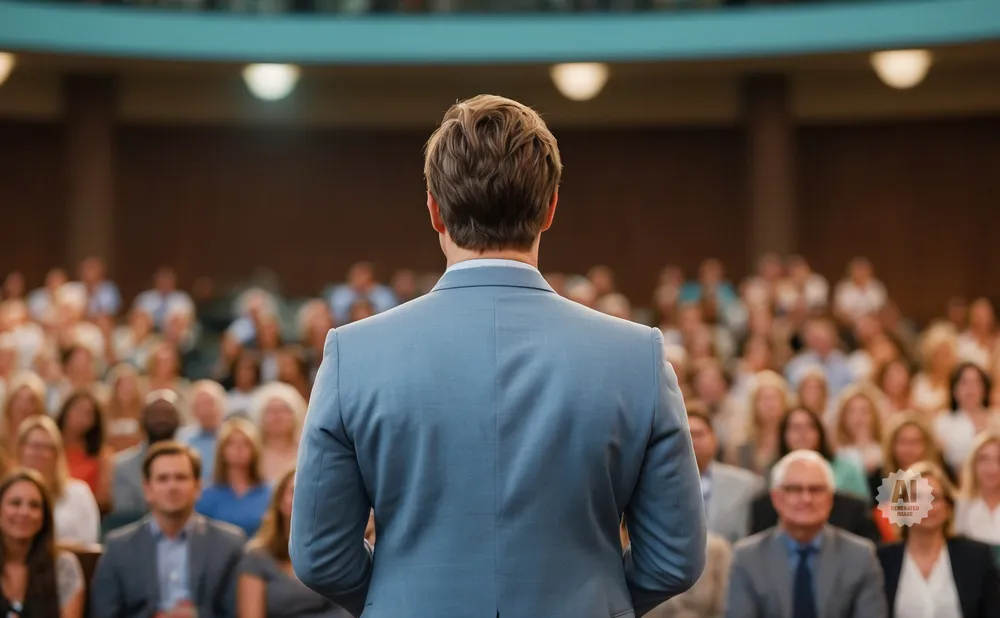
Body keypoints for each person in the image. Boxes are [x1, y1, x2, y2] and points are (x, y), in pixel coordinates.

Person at [290, 95, 706, 618]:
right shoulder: (638, 356)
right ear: (551, 208)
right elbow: (674, 559)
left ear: (434, 211)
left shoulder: (353, 353)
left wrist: (399, 596)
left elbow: (320, 557)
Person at [91, 441, 246, 618]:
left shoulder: (229, 544)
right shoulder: (118, 547)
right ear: (147, 489)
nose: (172, 487)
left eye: (181, 478)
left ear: (197, 487)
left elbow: (237, 612)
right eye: (163, 479)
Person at [726, 450, 888, 618]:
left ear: (830, 498)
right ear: (776, 498)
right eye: (795, 489)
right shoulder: (747, 557)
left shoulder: (860, 556)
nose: (806, 498)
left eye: (816, 489)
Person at [877, 461, 1000, 618]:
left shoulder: (976, 557)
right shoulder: (882, 559)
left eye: (934, 498)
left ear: (948, 507)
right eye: (916, 497)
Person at [238, 468, 351, 618]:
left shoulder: (335, 550)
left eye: (311, 491)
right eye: (295, 491)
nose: (304, 497)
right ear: (280, 501)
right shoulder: (257, 556)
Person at [0, 468, 85, 618]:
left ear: (45, 516)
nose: (24, 512)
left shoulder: (63, 566)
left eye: (34, 505)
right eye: (15, 503)